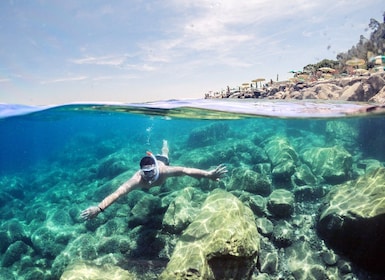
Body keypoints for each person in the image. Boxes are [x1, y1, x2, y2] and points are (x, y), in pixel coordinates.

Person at [81, 140, 227, 220]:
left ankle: (165, 144)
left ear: (155, 169)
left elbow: (186, 170)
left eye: (151, 172)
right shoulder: (137, 180)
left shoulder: (164, 171)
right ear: (141, 171)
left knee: (165, 154)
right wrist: (99, 208)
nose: (149, 176)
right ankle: (158, 151)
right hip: (153, 161)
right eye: (146, 173)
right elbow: (118, 193)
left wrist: (209, 174)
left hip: (161, 161)